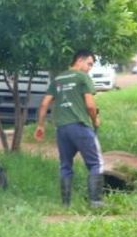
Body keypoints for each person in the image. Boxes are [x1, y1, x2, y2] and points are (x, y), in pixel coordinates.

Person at [34, 49, 104, 207]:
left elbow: (44, 104)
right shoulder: (82, 77)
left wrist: (40, 125)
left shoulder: (58, 79)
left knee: (65, 166)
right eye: (89, 64)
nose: (90, 68)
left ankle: (65, 204)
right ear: (79, 60)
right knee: (96, 163)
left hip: (62, 130)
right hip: (80, 126)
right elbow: (90, 106)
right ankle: (96, 202)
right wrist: (95, 120)